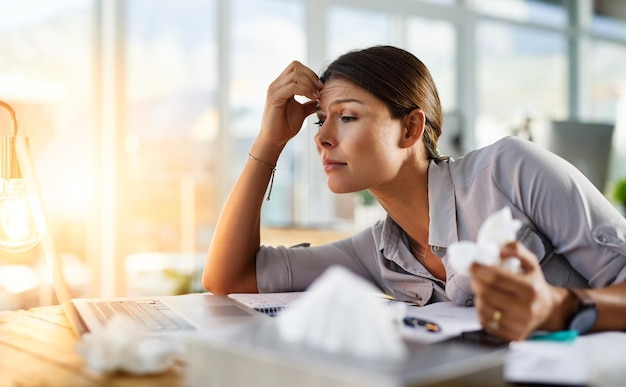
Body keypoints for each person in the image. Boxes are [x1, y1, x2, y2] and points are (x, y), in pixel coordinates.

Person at [202, 45, 626, 341]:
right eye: (320, 122)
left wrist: (559, 306)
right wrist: (268, 142)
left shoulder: (509, 171)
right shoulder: (378, 252)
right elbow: (229, 278)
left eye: (347, 116)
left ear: (411, 128)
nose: (323, 138)